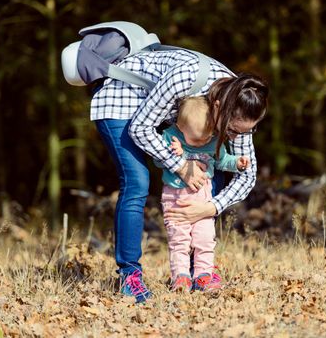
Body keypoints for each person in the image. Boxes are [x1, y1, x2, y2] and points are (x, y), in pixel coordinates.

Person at [92, 47, 268, 303]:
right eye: (231, 130)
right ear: (218, 107)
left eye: (244, 132)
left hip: (153, 114)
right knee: (137, 181)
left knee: (213, 166)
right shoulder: (187, 78)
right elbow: (141, 128)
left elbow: (247, 175)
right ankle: (129, 275)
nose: (235, 137)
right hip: (122, 99)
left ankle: (201, 273)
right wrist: (180, 165)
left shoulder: (241, 102)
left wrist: (210, 207)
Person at [156, 96, 250, 292]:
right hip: (176, 199)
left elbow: (222, 161)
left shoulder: (212, 140)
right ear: (181, 127)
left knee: (205, 238)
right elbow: (158, 160)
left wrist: (237, 163)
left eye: (206, 137)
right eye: (197, 139)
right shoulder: (171, 137)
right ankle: (180, 277)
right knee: (179, 240)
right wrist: (176, 153)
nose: (202, 143)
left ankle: (203, 275)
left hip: (203, 196)